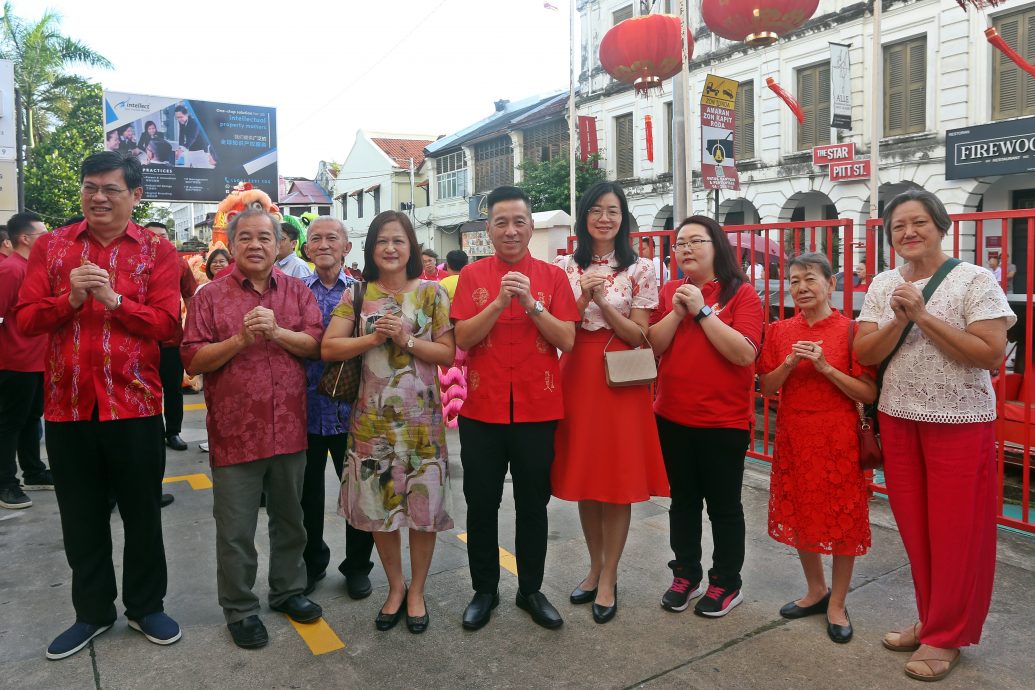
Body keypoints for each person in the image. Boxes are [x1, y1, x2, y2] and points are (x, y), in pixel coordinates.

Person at [14, 152, 182, 659]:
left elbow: (169, 328)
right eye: (91, 187)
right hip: (67, 408)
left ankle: (145, 605)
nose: (99, 197)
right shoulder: (53, 246)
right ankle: (92, 612)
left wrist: (114, 301)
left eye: (111, 188)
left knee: (141, 513)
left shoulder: (158, 250)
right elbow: (24, 321)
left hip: (134, 405)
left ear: (135, 196)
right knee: (80, 517)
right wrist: (67, 300)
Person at [854, 189, 1014, 682]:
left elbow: (990, 354)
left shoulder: (974, 280)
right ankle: (931, 620)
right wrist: (899, 319)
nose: (908, 233)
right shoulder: (884, 284)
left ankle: (948, 636)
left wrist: (922, 316)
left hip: (960, 422)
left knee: (956, 532)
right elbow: (865, 351)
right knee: (917, 529)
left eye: (918, 222)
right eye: (898, 226)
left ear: (941, 226)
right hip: (900, 418)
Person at [181, 208, 325, 649]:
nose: (256, 245)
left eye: (265, 237)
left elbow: (316, 346)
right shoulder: (208, 297)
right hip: (235, 431)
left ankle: (287, 591)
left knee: (291, 520)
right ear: (233, 243)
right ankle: (240, 609)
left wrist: (277, 332)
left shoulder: (297, 292)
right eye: (246, 237)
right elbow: (192, 359)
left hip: (289, 427)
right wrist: (240, 340)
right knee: (236, 528)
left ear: (280, 242)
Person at [451, 186, 580, 631]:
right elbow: (463, 339)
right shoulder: (471, 277)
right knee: (480, 503)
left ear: (531, 227)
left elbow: (566, 340)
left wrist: (530, 303)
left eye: (518, 221)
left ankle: (530, 589)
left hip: (537, 409)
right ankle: (484, 590)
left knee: (533, 504)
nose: (510, 230)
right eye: (500, 222)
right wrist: (501, 302)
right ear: (487, 229)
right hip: (481, 410)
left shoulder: (552, 277)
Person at [323, 210, 455, 634]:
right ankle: (395, 587)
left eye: (399, 240)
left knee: (423, 510)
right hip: (371, 424)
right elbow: (329, 348)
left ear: (412, 246)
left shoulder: (433, 294)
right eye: (382, 241)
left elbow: (447, 355)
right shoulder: (357, 295)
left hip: (423, 424)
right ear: (371, 249)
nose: (391, 248)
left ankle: (417, 591)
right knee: (379, 509)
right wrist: (374, 338)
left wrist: (406, 339)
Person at [551, 182, 667, 624]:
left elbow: (642, 335)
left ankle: (608, 577)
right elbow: (559, 324)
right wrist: (582, 294)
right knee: (585, 474)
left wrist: (602, 301)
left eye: (613, 210)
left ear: (623, 218)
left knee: (616, 478)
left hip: (621, 375)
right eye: (596, 210)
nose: (604, 218)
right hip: (578, 371)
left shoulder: (641, 269)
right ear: (583, 217)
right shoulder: (563, 266)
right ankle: (593, 565)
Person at [758, 252, 878, 644]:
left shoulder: (851, 331)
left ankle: (838, 602)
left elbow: (868, 391)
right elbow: (767, 388)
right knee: (801, 512)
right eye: (794, 281)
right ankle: (815, 589)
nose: (802, 288)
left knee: (844, 520)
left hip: (838, 437)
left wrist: (827, 368)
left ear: (830, 284)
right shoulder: (778, 332)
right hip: (794, 435)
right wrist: (790, 362)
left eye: (810, 279)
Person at [648, 215, 762, 618]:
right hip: (672, 417)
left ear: (717, 247)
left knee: (724, 507)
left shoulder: (742, 295)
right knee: (683, 503)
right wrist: (678, 311)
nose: (687, 249)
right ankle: (686, 574)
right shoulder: (669, 291)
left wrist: (702, 311)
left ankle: (726, 582)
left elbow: (744, 353)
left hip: (723, 422)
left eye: (697, 241)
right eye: (680, 243)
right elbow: (653, 347)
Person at [297, 217, 375, 599]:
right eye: (315, 239)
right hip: (304, 411)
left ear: (347, 246)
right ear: (306, 248)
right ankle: (312, 563)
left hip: (354, 410)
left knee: (360, 494)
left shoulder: (364, 292)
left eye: (332, 238)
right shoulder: (293, 292)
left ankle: (358, 566)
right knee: (306, 497)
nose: (323, 244)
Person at [0, 212, 53, 510]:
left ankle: (33, 471)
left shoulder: (31, 268)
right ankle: (6, 482)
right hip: (15, 360)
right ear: (24, 238)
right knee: (10, 424)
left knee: (31, 420)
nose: (47, 238)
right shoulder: (11, 270)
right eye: (42, 234)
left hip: (36, 359)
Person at [144, 222, 196, 453]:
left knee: (173, 389)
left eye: (163, 236)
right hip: (140, 339)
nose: (158, 240)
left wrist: (194, 331)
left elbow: (190, 296)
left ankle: (172, 432)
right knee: (143, 389)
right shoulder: (132, 263)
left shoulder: (179, 263)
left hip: (171, 339)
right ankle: (150, 433)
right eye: (152, 237)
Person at [174, 104, 213, 168]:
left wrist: (181, 150)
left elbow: (192, 137)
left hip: (202, 147)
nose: (179, 119)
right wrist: (180, 147)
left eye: (180, 117)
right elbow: (181, 134)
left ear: (186, 114)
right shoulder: (181, 121)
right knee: (191, 164)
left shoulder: (194, 122)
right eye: (177, 117)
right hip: (192, 146)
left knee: (201, 167)